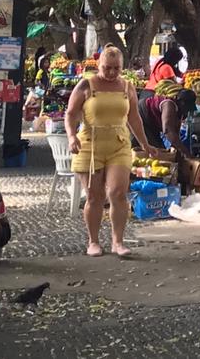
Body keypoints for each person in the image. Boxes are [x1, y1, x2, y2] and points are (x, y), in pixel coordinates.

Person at [66, 45, 164, 257]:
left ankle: (117, 241)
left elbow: (134, 119)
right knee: (95, 196)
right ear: (99, 65)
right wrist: (72, 136)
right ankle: (93, 241)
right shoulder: (86, 84)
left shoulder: (127, 86)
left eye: (116, 68)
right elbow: (71, 114)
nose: (111, 73)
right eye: (107, 68)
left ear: (122, 67)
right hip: (90, 144)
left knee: (118, 193)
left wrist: (145, 144)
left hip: (119, 143)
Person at [138, 88, 199, 157]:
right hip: (142, 116)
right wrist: (185, 152)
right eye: (187, 108)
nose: (187, 112)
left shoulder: (180, 112)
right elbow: (168, 131)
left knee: (158, 149)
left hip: (152, 123)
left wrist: (178, 151)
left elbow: (176, 134)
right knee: (156, 151)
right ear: (181, 102)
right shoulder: (169, 105)